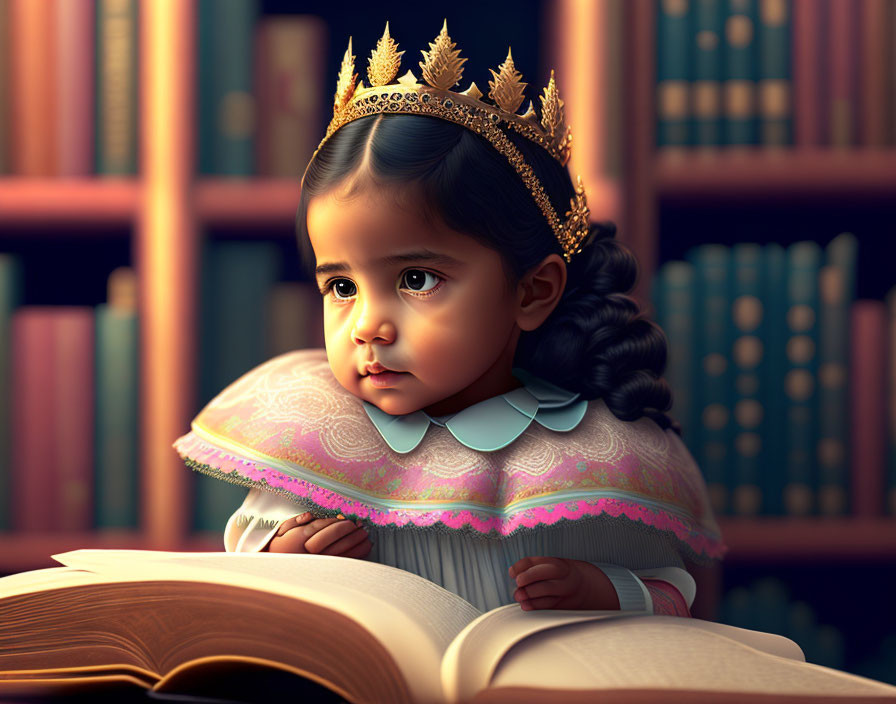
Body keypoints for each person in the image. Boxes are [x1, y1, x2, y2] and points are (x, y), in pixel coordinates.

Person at [175, 22, 725, 618]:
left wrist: (604, 591)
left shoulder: (597, 451)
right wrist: (287, 555)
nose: (368, 326)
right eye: (341, 286)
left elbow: (674, 592)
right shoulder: (315, 438)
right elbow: (244, 573)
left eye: (416, 280)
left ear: (533, 290)